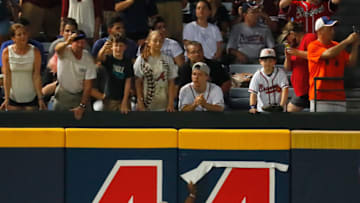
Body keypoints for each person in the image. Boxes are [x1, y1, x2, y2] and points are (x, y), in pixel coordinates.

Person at [308, 16, 359, 112]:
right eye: (329, 28)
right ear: (320, 31)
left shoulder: (336, 45)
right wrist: (347, 41)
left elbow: (351, 63)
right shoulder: (313, 46)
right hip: (320, 95)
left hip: (338, 95)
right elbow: (328, 54)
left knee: (339, 126)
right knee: (321, 126)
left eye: (333, 28)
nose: (333, 31)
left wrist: (355, 45)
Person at [0, 23, 46, 111]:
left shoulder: (35, 52)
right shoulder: (6, 52)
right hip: (13, 97)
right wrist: (6, 98)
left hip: (31, 97)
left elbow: (36, 76)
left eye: (24, 33)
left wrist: (40, 98)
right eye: (19, 34)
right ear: (13, 38)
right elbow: (7, 76)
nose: (23, 36)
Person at [53, 30, 96, 119]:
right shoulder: (64, 51)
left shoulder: (87, 57)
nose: (80, 45)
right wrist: (67, 42)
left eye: (82, 42)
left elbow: (88, 85)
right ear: (71, 43)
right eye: (77, 42)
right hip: (63, 94)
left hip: (80, 95)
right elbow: (57, 49)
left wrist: (82, 106)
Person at [134, 30, 178, 111]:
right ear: (149, 42)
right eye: (155, 41)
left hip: (164, 104)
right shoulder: (141, 60)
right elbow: (138, 82)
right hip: (147, 105)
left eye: (160, 41)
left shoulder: (168, 59)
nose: (158, 43)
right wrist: (140, 101)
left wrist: (171, 103)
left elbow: (171, 82)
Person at [282, 22, 316, 112]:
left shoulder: (309, 37)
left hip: (309, 87)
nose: (287, 41)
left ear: (292, 34)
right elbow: (287, 68)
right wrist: (288, 57)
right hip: (301, 90)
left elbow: (315, 55)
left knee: (290, 109)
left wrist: (296, 53)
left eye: (287, 37)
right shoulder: (295, 46)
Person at [97, 33, 134, 113]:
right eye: (116, 45)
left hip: (123, 98)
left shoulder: (127, 62)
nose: (118, 48)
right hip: (110, 98)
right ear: (112, 47)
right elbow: (99, 57)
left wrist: (124, 101)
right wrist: (104, 48)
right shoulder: (109, 59)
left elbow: (128, 82)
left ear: (125, 47)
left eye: (121, 46)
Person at [249, 48, 289, 113]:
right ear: (260, 61)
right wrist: (252, 107)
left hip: (279, 111)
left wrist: (281, 106)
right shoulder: (257, 75)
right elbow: (253, 93)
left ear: (275, 61)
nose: (268, 63)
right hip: (262, 111)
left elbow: (285, 89)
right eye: (265, 60)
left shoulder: (280, 73)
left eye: (270, 60)